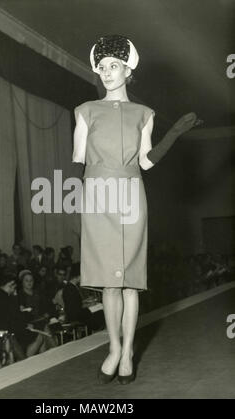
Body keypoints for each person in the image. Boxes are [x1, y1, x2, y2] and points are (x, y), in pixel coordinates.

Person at [73, 34, 201, 384]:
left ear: (128, 70)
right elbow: (78, 162)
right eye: (101, 68)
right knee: (107, 286)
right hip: (98, 197)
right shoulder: (84, 111)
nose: (106, 73)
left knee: (130, 283)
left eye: (113, 66)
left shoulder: (144, 114)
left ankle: (128, 350)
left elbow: (145, 161)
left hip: (130, 195)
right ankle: (113, 348)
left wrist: (173, 133)